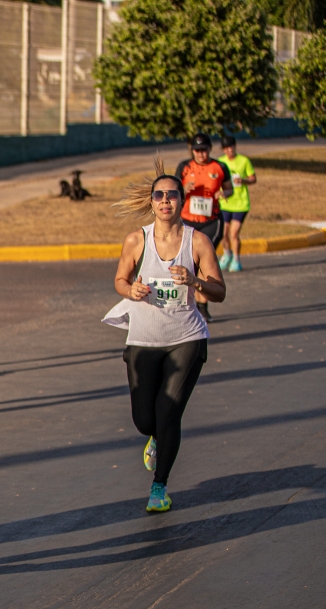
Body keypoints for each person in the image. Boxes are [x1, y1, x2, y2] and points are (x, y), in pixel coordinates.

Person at [103, 162, 226, 513]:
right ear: (152, 202)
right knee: (145, 419)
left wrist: (195, 281)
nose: (165, 200)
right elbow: (120, 280)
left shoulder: (197, 242)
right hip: (143, 339)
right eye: (159, 195)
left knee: (168, 410)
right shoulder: (136, 240)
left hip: (186, 338)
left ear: (182, 200)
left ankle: (159, 486)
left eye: (172, 195)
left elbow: (219, 291)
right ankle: (155, 436)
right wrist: (132, 289)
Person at [175, 134, 233, 320]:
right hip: (187, 220)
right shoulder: (184, 167)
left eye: (204, 150)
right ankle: (187, 304)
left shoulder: (219, 167)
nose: (201, 154)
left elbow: (229, 189)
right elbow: (173, 191)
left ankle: (202, 306)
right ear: (192, 150)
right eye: (197, 150)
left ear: (210, 149)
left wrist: (224, 194)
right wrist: (184, 189)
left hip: (211, 220)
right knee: (188, 262)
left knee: (202, 262)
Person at [217, 134, 256, 273]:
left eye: (231, 147)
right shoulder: (220, 162)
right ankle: (227, 254)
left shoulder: (244, 161)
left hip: (240, 203)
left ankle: (236, 260)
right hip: (225, 203)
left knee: (234, 233)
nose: (229, 150)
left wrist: (243, 181)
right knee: (223, 233)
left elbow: (253, 178)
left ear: (235, 146)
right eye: (226, 148)